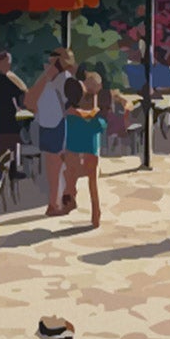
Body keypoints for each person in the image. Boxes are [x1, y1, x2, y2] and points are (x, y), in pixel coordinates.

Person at [27, 47, 76, 216]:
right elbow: (30, 101)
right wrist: (45, 77)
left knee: (55, 166)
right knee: (52, 167)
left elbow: (71, 105)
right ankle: (58, 202)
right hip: (46, 125)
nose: (47, 65)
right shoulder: (48, 81)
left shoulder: (65, 80)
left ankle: (56, 204)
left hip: (58, 125)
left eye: (52, 62)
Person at [61, 76, 108, 228]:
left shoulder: (69, 112)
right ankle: (96, 213)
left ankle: (70, 200)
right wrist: (95, 109)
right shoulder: (94, 116)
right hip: (90, 149)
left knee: (70, 176)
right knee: (92, 182)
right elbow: (100, 126)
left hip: (73, 148)